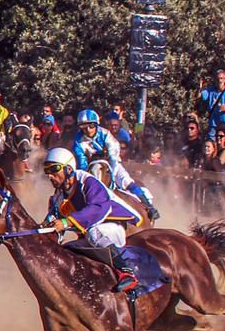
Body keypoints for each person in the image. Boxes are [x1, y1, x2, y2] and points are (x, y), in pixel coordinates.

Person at [40, 146, 144, 293]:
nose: (50, 176)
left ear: (69, 169)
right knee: (67, 249)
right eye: (47, 171)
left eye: (54, 169)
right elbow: (52, 221)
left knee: (93, 233)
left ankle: (126, 272)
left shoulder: (87, 181)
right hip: (93, 236)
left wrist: (66, 222)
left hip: (112, 227)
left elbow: (98, 207)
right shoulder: (58, 196)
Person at [70, 108, 161, 221]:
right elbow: (81, 160)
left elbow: (113, 155)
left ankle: (149, 207)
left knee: (127, 181)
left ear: (96, 125)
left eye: (91, 126)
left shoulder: (105, 134)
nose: (88, 130)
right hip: (91, 167)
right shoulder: (78, 141)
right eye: (84, 127)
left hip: (111, 165)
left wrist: (112, 174)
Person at [198, 69, 225, 144]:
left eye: (221, 78)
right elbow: (200, 96)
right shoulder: (210, 90)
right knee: (211, 141)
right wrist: (201, 87)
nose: (219, 81)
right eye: (218, 78)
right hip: (213, 122)